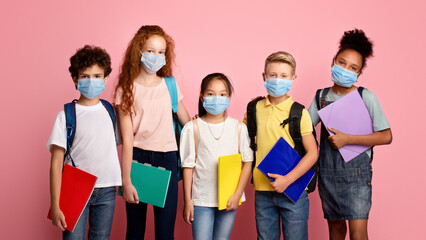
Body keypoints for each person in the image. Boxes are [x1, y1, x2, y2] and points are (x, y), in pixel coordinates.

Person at [308, 29, 392, 240]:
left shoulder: (366, 97)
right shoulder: (321, 97)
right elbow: (305, 129)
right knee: (336, 231)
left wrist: (348, 139)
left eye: (353, 67)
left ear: (358, 74)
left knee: (358, 234)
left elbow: (386, 136)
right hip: (327, 175)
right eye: (342, 62)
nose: (345, 69)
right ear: (333, 61)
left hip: (357, 177)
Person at [115, 25, 191, 240]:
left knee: (165, 232)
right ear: (138, 52)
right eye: (150, 51)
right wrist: (126, 180)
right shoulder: (126, 89)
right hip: (137, 159)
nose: (156, 56)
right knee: (135, 231)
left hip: (167, 159)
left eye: (161, 52)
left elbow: (188, 125)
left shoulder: (170, 85)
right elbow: (127, 140)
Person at [48, 45, 122, 239]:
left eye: (97, 76)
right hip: (74, 191)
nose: (92, 81)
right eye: (85, 76)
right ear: (75, 79)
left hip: (107, 190)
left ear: (106, 79)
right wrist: (55, 205)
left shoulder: (111, 112)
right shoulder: (65, 116)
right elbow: (56, 164)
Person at [244, 51, 318, 240]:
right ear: (264, 77)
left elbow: (312, 153)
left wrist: (288, 179)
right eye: (273, 75)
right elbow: (237, 136)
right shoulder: (254, 109)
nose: (278, 80)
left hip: (293, 192)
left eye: (284, 76)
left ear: (293, 78)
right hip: (262, 191)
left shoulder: (299, 113)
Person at [180, 73, 253, 240]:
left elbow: (247, 163)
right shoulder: (193, 128)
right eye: (211, 94)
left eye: (222, 94)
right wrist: (188, 201)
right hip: (201, 200)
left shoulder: (239, 127)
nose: (216, 98)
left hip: (228, 199)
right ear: (202, 96)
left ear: (229, 97)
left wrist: (237, 194)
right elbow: (188, 166)